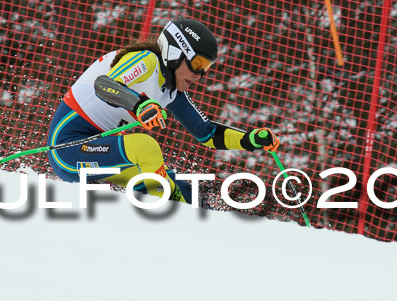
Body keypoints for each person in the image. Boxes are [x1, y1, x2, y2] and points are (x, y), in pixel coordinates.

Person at [46, 19, 280, 204]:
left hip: (100, 152)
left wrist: (250, 140)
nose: (200, 75)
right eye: (197, 64)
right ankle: (166, 216)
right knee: (145, 148)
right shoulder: (146, 61)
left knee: (187, 191)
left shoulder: (170, 91)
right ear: (176, 53)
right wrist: (139, 105)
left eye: (206, 69)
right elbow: (105, 85)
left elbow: (207, 133)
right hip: (68, 150)